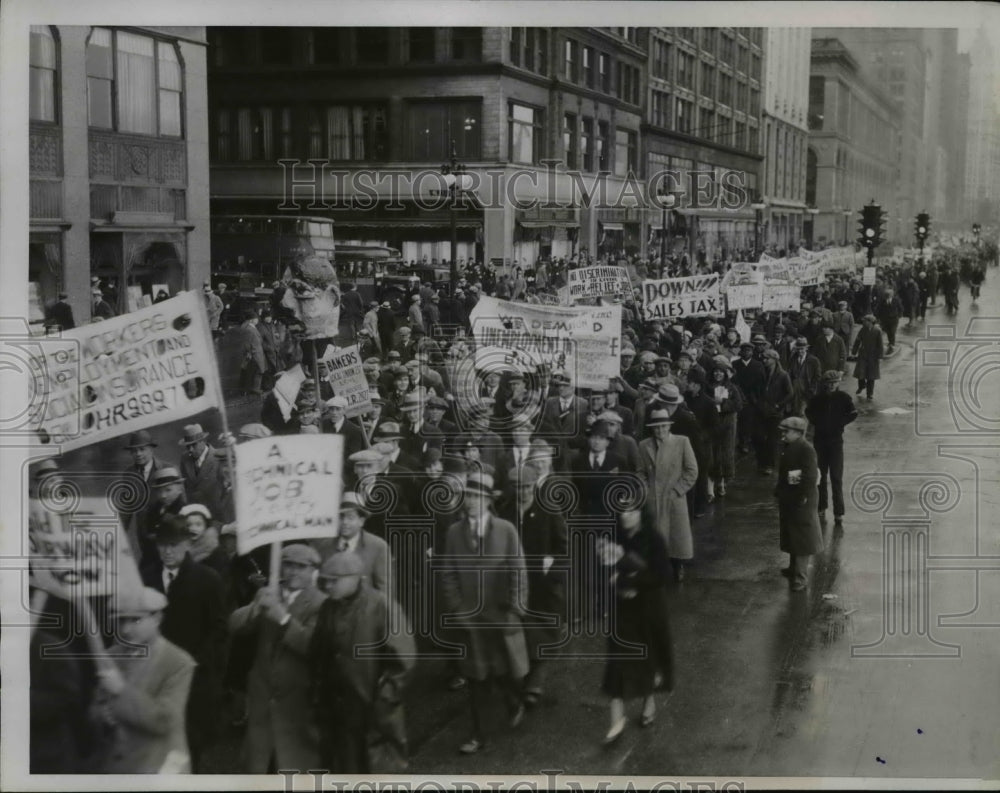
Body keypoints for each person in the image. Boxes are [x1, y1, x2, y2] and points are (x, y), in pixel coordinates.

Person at [440, 471, 529, 754]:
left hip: (500, 615)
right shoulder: (454, 533)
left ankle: (514, 701)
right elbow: (448, 574)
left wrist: (516, 608)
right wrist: (457, 608)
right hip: (471, 620)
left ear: (489, 501)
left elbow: (519, 570)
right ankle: (479, 734)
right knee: (477, 679)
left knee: (503, 671)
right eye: (468, 495)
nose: (471, 502)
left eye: (478, 497)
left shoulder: (505, 530)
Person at [310, 551, 416, 773]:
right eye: (325, 581)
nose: (328, 586)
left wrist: (384, 698)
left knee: (378, 769)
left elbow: (403, 659)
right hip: (339, 709)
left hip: (373, 710)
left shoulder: (381, 605)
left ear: (354, 578)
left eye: (334, 581)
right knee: (346, 766)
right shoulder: (328, 608)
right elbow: (318, 651)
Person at [139, 514, 226, 772]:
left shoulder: (208, 579)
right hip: (153, 676)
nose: (167, 551)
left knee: (189, 745)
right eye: (162, 545)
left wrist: (197, 661)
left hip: (193, 677)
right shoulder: (147, 578)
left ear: (187, 544)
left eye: (173, 545)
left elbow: (219, 628)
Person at [228, 544, 326, 773]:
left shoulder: (322, 603)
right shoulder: (268, 593)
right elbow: (234, 625)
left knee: (295, 764)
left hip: (298, 698)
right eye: (288, 565)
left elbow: (312, 646)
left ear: (313, 570)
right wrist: (255, 608)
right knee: (261, 765)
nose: (292, 571)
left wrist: (282, 617)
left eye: (301, 567)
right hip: (262, 696)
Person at [92, 587, 195, 773]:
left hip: (157, 765)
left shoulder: (178, 662)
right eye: (121, 620)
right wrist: (100, 716)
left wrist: (121, 690)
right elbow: (96, 705)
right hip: (116, 764)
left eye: (136, 620)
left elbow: (164, 721)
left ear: (157, 619)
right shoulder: (111, 656)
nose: (126, 629)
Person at [598, 507, 674, 744]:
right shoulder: (614, 537)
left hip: (648, 610)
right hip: (622, 609)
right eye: (622, 512)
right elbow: (603, 569)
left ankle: (648, 701)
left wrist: (631, 580)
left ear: (642, 513)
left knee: (648, 659)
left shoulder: (654, 539)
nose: (625, 516)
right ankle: (616, 720)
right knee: (617, 660)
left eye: (631, 511)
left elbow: (663, 575)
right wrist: (615, 580)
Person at [496, 464, 568, 707]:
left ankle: (534, 682)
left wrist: (553, 572)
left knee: (543, 634)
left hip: (542, 585)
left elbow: (564, 547)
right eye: (518, 487)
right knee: (522, 633)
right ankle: (526, 677)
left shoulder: (549, 510)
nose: (523, 491)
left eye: (527, 487)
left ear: (534, 486)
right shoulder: (505, 512)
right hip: (516, 583)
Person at [636, 408, 698, 582]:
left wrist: (678, 490)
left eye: (663, 426)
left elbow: (692, 471)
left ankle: (678, 566)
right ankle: (657, 568)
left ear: (669, 426)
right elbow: (640, 472)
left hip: (673, 496)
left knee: (676, 535)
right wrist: (645, 489)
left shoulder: (682, 442)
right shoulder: (644, 445)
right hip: (653, 497)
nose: (660, 430)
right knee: (655, 536)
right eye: (656, 427)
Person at [774, 417, 824, 592]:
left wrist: (800, 496)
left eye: (786, 432)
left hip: (801, 500)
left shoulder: (806, 449)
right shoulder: (791, 447)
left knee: (802, 538)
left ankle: (800, 578)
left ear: (797, 433)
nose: (783, 435)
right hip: (791, 497)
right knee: (792, 534)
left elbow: (809, 477)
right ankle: (793, 568)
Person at [805, 370, 858, 526]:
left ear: (838, 383)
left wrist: (841, 422)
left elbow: (853, 413)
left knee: (836, 477)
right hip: (820, 441)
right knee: (820, 475)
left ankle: (838, 512)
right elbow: (808, 412)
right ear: (824, 384)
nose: (831, 386)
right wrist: (818, 422)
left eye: (834, 383)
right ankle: (821, 507)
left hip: (836, 442)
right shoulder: (817, 399)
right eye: (829, 383)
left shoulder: (844, 398)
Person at [313, 492, 392, 595]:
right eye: (341, 517)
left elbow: (384, 590)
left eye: (350, 517)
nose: (345, 522)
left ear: (361, 521)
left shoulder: (378, 547)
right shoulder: (324, 546)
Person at [752, 349, 794, 476]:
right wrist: (756, 402)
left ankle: (769, 465)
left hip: (775, 413)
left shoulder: (783, 375)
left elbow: (790, 393)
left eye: (766, 358)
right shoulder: (761, 373)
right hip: (760, 410)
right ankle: (761, 461)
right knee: (758, 437)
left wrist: (779, 405)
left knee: (772, 440)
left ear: (774, 360)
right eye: (763, 358)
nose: (764, 361)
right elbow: (754, 389)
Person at [707, 357, 744, 499]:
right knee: (711, 454)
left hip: (727, 425)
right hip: (711, 423)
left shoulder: (732, 388)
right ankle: (709, 488)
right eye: (715, 372)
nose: (718, 374)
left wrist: (723, 402)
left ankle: (721, 483)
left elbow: (739, 405)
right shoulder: (707, 387)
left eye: (721, 372)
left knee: (724, 455)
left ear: (725, 374)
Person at [178, 423, 225, 522]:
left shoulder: (218, 457)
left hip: (217, 515)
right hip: (196, 516)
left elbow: (225, 490)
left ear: (203, 441)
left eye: (193, 445)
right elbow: (186, 488)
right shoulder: (184, 459)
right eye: (187, 446)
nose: (190, 450)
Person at [851, 314, 884, 401]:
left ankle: (870, 394)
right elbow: (857, 341)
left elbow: (880, 345)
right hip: (863, 354)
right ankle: (861, 386)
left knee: (871, 376)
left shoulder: (877, 331)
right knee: (860, 373)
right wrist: (854, 352)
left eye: (865, 321)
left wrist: (880, 356)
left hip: (873, 356)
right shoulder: (862, 330)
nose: (863, 322)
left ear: (870, 322)